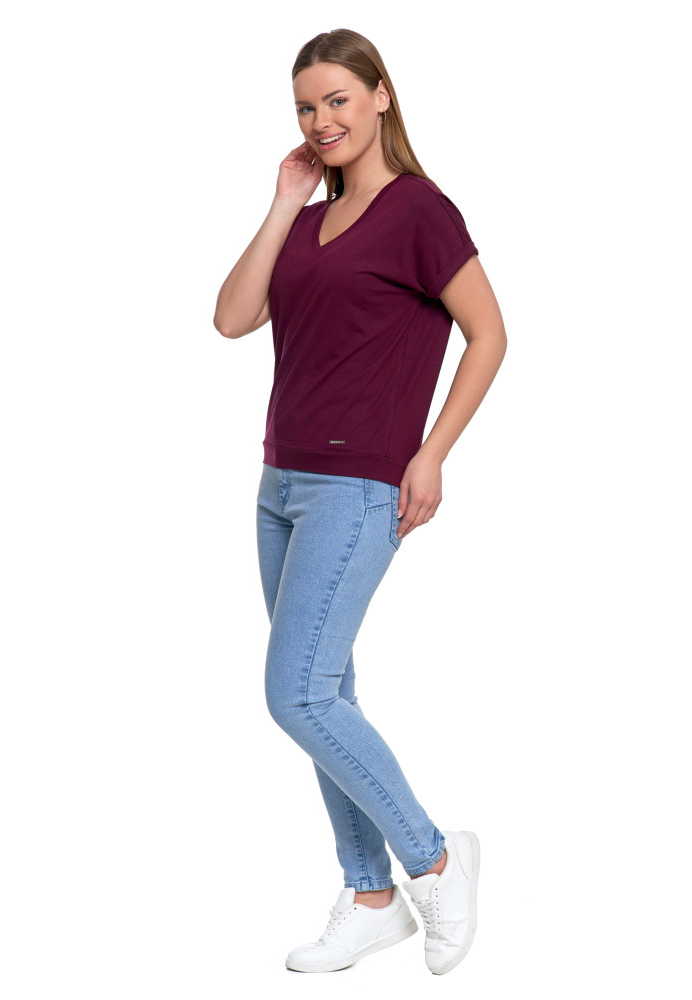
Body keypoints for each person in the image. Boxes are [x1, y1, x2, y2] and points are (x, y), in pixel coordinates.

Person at [214, 28, 507, 976]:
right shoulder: (307, 221)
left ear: (381, 95)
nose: (321, 119)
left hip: (360, 483)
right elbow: (231, 318)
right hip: (281, 484)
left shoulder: (420, 210)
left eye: (338, 99)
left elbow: (490, 334)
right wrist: (283, 201)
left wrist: (432, 454)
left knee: (296, 693)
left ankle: (433, 859)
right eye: (306, 106)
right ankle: (371, 894)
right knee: (326, 692)